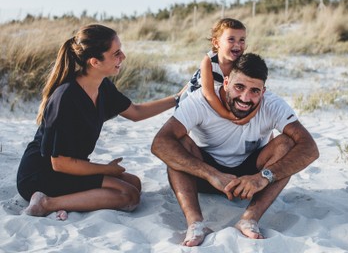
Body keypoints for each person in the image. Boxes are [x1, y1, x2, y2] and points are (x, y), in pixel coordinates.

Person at [151, 53, 319, 247]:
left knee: (287, 144)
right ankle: (195, 223)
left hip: (251, 179)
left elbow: (310, 148)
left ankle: (250, 219)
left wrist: (263, 176)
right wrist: (211, 174)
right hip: (205, 175)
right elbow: (160, 143)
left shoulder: (273, 104)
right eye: (239, 87)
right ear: (226, 83)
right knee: (176, 143)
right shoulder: (200, 101)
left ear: (263, 91)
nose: (245, 98)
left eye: (254, 91)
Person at [16, 24, 181, 220]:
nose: (123, 57)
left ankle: (65, 201)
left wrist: (178, 98)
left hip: (69, 168)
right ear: (95, 61)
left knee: (134, 183)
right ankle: (46, 203)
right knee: (128, 196)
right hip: (42, 174)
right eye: (116, 53)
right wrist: (106, 169)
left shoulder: (102, 86)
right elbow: (60, 163)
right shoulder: (66, 98)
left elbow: (135, 112)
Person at [181, 18, 255, 124]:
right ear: (216, 43)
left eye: (241, 40)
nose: (237, 44)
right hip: (197, 89)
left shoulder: (241, 62)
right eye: (231, 39)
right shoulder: (209, 61)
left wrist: (248, 117)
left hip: (220, 91)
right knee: (185, 117)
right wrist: (227, 115)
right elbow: (209, 94)